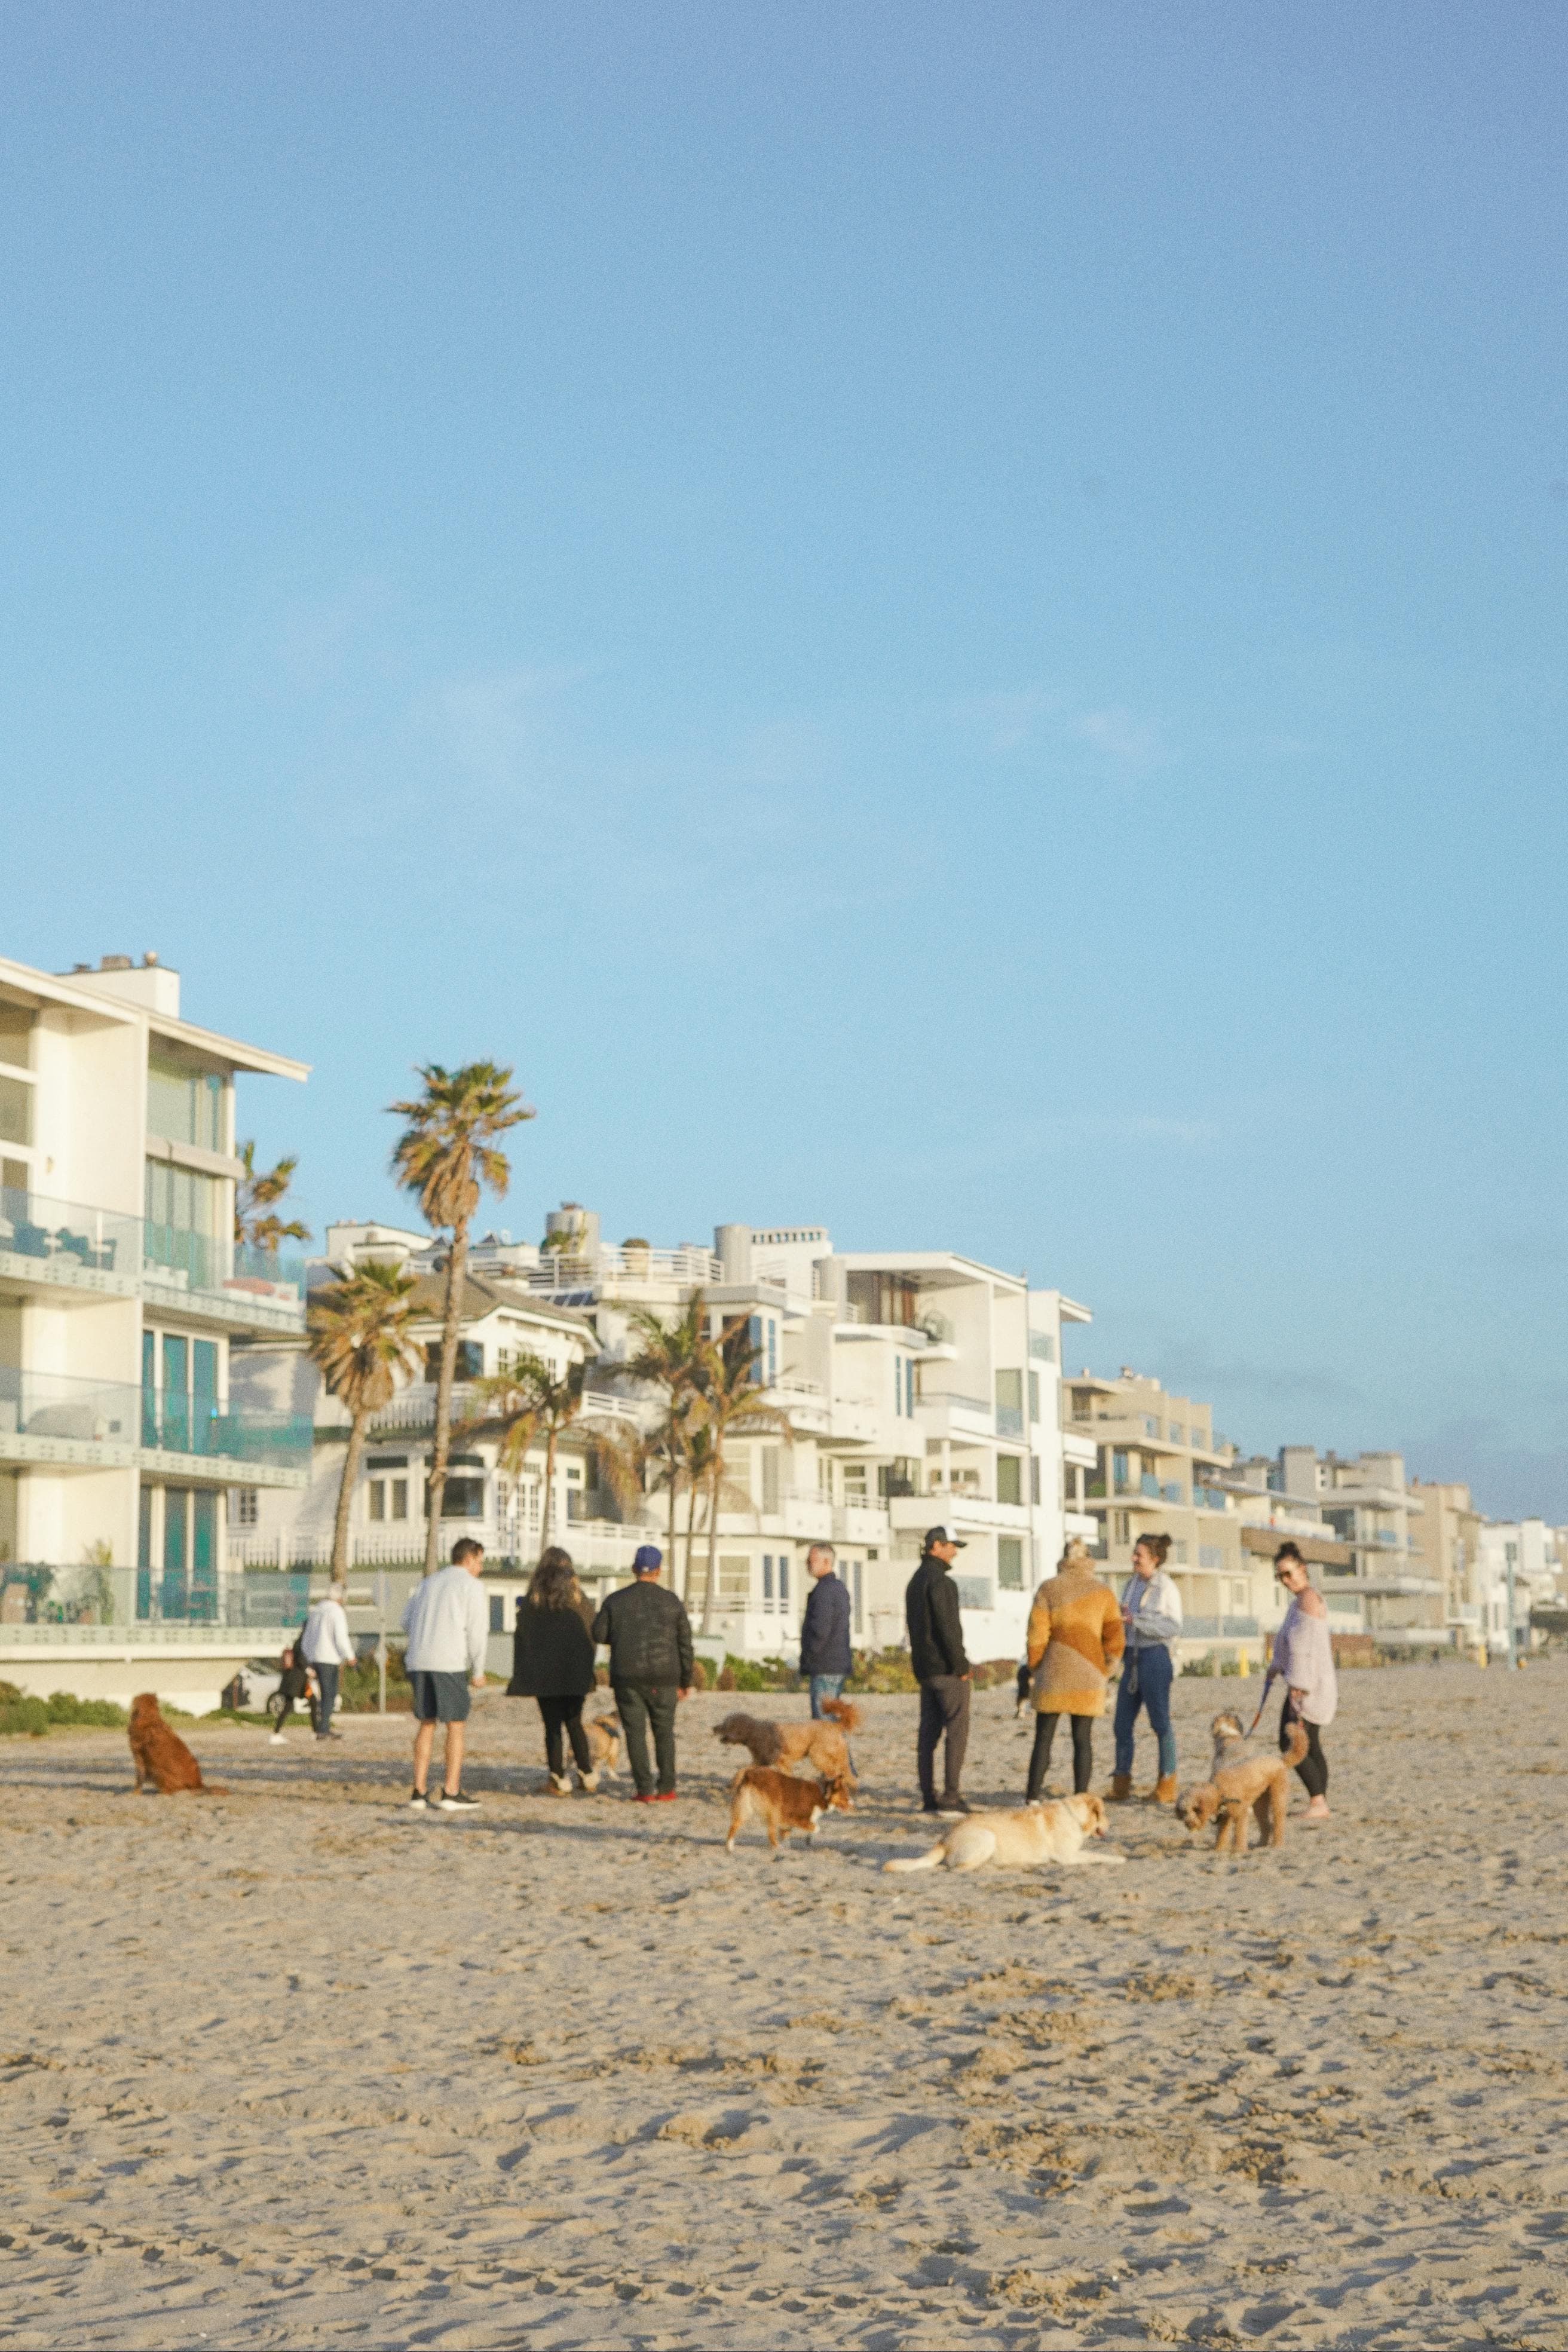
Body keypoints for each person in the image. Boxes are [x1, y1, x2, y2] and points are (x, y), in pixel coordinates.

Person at [590, 1544, 694, 1802]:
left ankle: (644, 1789)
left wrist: (620, 1635)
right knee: (664, 1733)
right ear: (659, 1571)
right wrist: (686, 1681)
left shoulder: (615, 1600)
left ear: (635, 1569)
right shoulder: (672, 1602)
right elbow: (685, 1644)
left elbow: (598, 1634)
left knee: (635, 1733)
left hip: (627, 1677)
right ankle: (667, 1788)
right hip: (665, 1677)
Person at [1024, 1541, 1125, 1800]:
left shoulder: (1048, 1588)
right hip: (1090, 1674)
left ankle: (1033, 1798)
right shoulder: (1103, 1593)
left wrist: (1036, 1667)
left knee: (1043, 1739)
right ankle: (1081, 1796)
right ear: (1089, 1560)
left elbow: (1037, 1635)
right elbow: (1115, 1637)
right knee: (1083, 1740)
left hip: (1053, 1673)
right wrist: (1107, 1668)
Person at [401, 1536, 489, 1811]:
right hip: (448, 1661)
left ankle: (419, 1791)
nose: (481, 1568)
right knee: (456, 1724)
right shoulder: (471, 1586)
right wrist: (479, 1669)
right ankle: (451, 1791)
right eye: (480, 1562)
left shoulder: (428, 1583)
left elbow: (405, 1621)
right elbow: (478, 1631)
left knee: (427, 1723)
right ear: (469, 1558)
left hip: (418, 1659)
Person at [507, 1545, 600, 1793]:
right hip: (574, 1675)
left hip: (544, 1676)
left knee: (552, 1727)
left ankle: (558, 1778)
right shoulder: (580, 1600)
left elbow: (523, 1639)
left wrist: (524, 1674)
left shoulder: (533, 1601)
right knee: (574, 1723)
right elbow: (591, 1635)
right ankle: (587, 1774)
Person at [1265, 1541, 1337, 1821]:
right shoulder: (1299, 1602)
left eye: (1288, 1573)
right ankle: (1319, 1801)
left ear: (1302, 1569)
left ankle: (1318, 1801)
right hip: (1306, 1683)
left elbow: (1303, 1647)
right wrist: (1276, 1667)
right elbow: (1288, 1643)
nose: (1285, 1581)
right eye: (1280, 1576)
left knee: (1292, 1744)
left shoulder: (1308, 1599)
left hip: (1308, 1686)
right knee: (1311, 1744)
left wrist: (1300, 1686)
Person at [1110, 1533, 1183, 1804]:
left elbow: (1173, 1626)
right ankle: (1121, 1781)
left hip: (1155, 1657)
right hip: (1132, 1656)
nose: (1133, 1559)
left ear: (1154, 1559)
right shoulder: (1130, 1585)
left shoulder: (1166, 1588)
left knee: (1160, 1721)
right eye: (1134, 1553)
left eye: (1139, 1555)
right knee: (1122, 1723)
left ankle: (1167, 1782)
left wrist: (1136, 1621)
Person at [905, 1524, 972, 1818]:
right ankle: (951, 1795)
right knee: (956, 1731)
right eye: (951, 1546)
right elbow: (949, 1629)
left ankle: (928, 1796)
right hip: (945, 1669)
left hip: (924, 1669)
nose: (955, 1552)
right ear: (936, 1546)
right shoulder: (943, 1583)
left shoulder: (915, 1581)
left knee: (927, 1735)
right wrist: (962, 1665)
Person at [799, 1542, 852, 1717]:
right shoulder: (838, 1588)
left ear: (827, 1562)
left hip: (825, 1665)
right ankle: (840, 1745)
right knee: (832, 1722)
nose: (808, 1563)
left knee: (824, 1723)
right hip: (835, 1664)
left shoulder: (825, 1591)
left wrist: (810, 1656)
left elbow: (821, 1630)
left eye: (812, 1560)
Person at [302, 1578, 356, 1742]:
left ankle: (322, 1726)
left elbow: (307, 1637)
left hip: (315, 1657)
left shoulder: (317, 1610)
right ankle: (323, 1729)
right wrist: (350, 1656)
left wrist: (309, 1657)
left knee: (322, 1694)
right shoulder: (336, 1611)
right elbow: (340, 1637)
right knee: (329, 1694)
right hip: (329, 1658)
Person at [270, 1627, 313, 1744]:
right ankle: (276, 1734)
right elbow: (301, 1659)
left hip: (299, 1681)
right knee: (288, 1706)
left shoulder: (302, 1640)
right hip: (296, 1681)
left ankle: (316, 1731)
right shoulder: (302, 1642)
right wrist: (309, 1669)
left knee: (312, 1701)